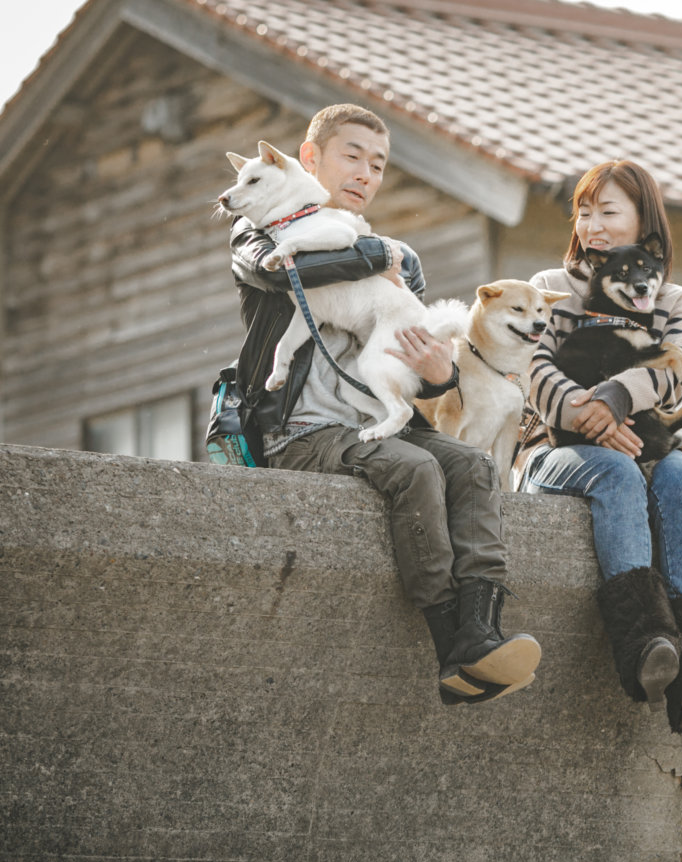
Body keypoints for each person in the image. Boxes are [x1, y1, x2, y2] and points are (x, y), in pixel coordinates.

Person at [228, 103, 539, 706]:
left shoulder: (401, 257)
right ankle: (453, 640)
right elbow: (278, 275)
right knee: (417, 469)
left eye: (379, 164)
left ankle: (480, 629)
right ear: (308, 159)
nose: (367, 173)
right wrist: (379, 255)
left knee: (471, 466)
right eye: (353, 156)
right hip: (301, 430)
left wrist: (438, 371)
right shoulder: (260, 230)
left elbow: (427, 375)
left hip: (377, 422)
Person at [516, 160, 682, 736]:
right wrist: (589, 415)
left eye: (608, 212)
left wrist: (614, 397)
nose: (593, 226)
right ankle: (644, 642)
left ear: (644, 222)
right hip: (552, 451)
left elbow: (675, 368)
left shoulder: (679, 300)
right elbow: (530, 366)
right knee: (614, 470)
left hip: (646, 445)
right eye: (584, 213)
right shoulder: (550, 288)